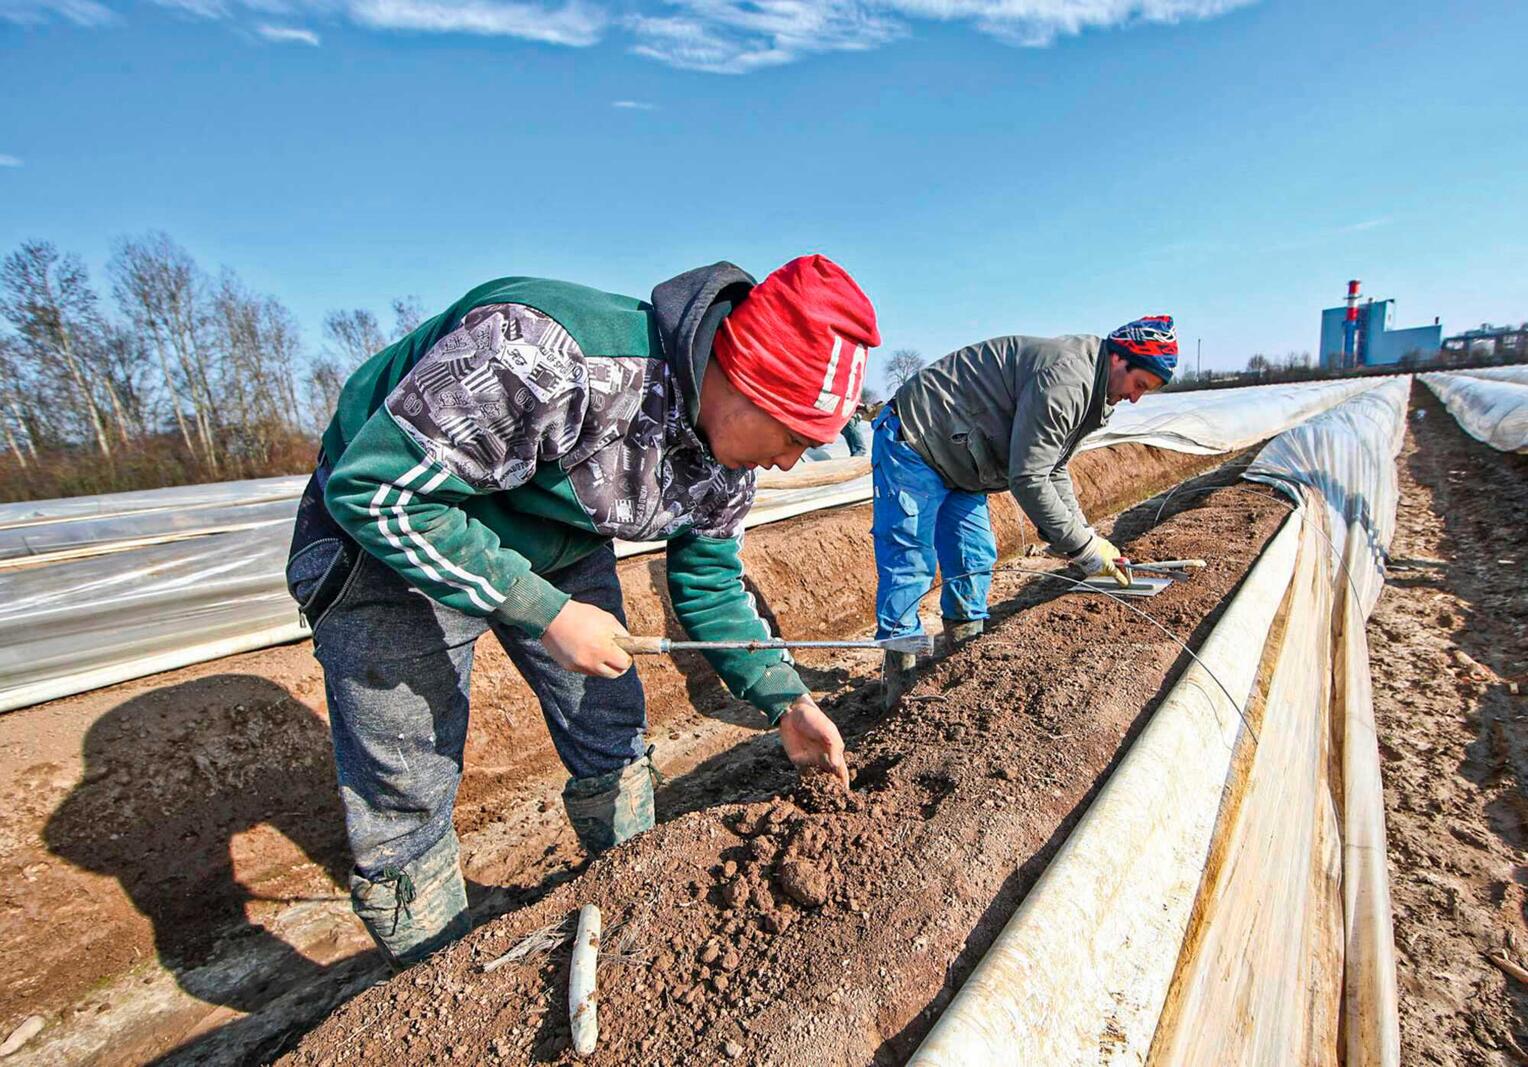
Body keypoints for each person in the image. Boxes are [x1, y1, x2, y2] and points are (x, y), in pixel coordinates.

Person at [285, 255, 879, 966]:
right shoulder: (543, 351)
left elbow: (711, 583)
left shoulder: (731, 464)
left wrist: (788, 702)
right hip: (396, 529)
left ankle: (637, 902)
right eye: (793, 439)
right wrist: (545, 610)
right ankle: (439, 981)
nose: (790, 463)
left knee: (611, 724)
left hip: (555, 530)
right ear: (745, 383)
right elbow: (378, 491)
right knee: (407, 781)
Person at [871, 316, 1178, 707]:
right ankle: (900, 686)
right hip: (916, 438)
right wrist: (1083, 549)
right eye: (1139, 385)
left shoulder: (1093, 387)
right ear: (1120, 359)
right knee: (911, 560)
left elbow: (1053, 467)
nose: (1135, 398)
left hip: (962, 456)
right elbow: (1029, 477)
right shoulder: (1068, 380)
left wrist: (1087, 538)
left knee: (974, 557)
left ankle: (961, 667)